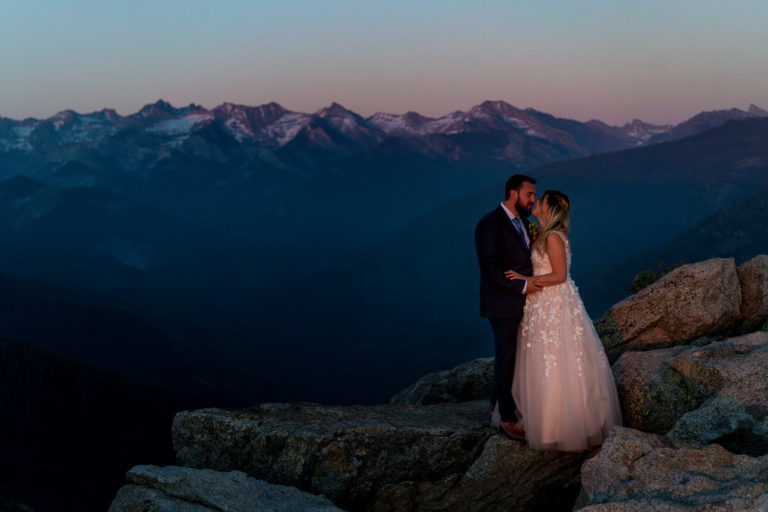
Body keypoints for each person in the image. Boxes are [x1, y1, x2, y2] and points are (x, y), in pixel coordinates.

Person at [505, 190, 622, 451]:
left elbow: (559, 275)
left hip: (553, 303)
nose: (535, 202)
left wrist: (526, 281)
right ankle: (548, 422)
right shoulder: (545, 234)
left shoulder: (555, 238)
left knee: (555, 358)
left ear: (549, 208)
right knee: (543, 359)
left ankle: (562, 426)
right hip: (542, 303)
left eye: (541, 200)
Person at [474, 174, 541, 440]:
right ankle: (508, 419)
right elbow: (489, 269)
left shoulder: (525, 223)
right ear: (513, 194)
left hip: (525, 303)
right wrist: (523, 287)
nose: (533, 200)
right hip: (502, 303)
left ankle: (496, 407)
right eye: (530, 195)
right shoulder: (488, 224)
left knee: (512, 356)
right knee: (507, 357)